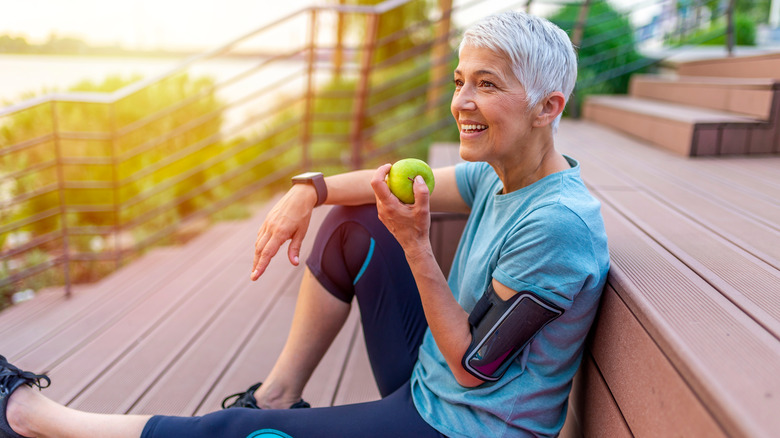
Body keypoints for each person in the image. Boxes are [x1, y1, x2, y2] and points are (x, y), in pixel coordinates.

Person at [1, 10, 609, 438]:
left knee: (248, 433)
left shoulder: (557, 226)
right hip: (431, 379)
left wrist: (418, 248)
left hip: (460, 424)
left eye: (486, 85)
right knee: (351, 221)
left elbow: (473, 370)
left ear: (547, 107)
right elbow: (382, 178)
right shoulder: (502, 175)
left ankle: (32, 421)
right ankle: (278, 391)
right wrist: (308, 190)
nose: (461, 102)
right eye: (459, 82)